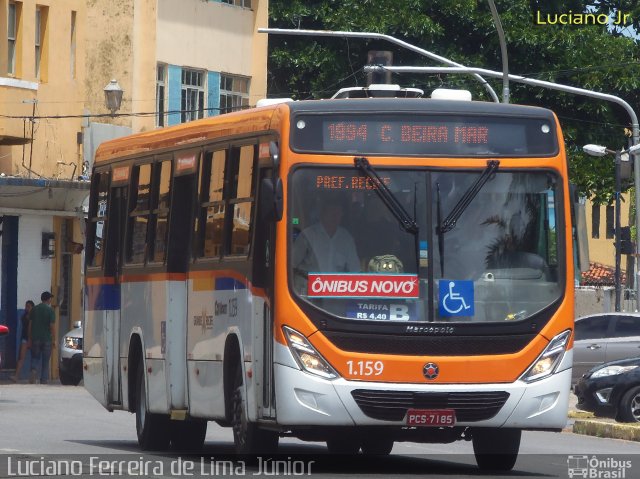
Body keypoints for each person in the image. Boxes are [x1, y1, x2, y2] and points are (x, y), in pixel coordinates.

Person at [292, 197, 360, 277]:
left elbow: (355, 270)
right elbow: (292, 264)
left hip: (337, 287)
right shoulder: (308, 235)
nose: (335, 217)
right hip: (309, 286)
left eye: (338, 213)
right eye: (331, 213)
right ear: (322, 214)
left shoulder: (346, 238)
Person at [29, 291, 56, 385]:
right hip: (46, 339)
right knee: (45, 361)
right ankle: (43, 380)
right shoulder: (50, 311)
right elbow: (52, 326)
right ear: (48, 299)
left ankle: (33, 370)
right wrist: (54, 339)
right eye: (50, 298)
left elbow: (30, 325)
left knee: (35, 357)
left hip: (35, 338)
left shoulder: (34, 309)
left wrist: (29, 338)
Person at [10, 300, 34, 382]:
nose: (27, 308)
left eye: (28, 306)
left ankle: (32, 377)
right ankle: (16, 376)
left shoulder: (33, 316)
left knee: (34, 358)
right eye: (26, 306)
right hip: (25, 339)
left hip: (32, 339)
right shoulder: (24, 316)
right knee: (21, 358)